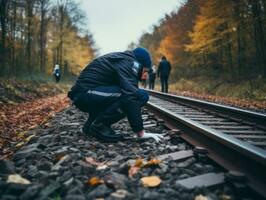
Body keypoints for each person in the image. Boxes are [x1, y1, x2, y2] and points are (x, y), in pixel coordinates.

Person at [68, 47, 163, 143]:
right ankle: (99, 125)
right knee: (139, 96)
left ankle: (90, 126)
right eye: (145, 71)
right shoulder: (130, 63)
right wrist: (140, 132)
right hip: (85, 93)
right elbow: (131, 96)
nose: (146, 76)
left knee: (124, 94)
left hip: (85, 93)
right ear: (139, 64)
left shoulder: (123, 59)